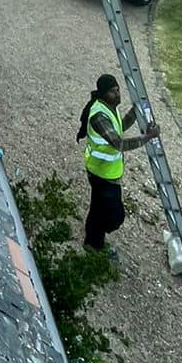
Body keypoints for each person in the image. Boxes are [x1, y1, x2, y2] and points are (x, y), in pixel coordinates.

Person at [77, 73, 157, 252]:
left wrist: (135, 112)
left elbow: (119, 127)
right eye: (113, 92)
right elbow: (119, 143)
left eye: (118, 90)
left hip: (108, 172)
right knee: (114, 216)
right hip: (101, 173)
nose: (118, 94)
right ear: (103, 93)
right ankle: (94, 241)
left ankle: (93, 244)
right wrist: (147, 137)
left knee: (98, 209)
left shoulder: (110, 108)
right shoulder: (98, 116)